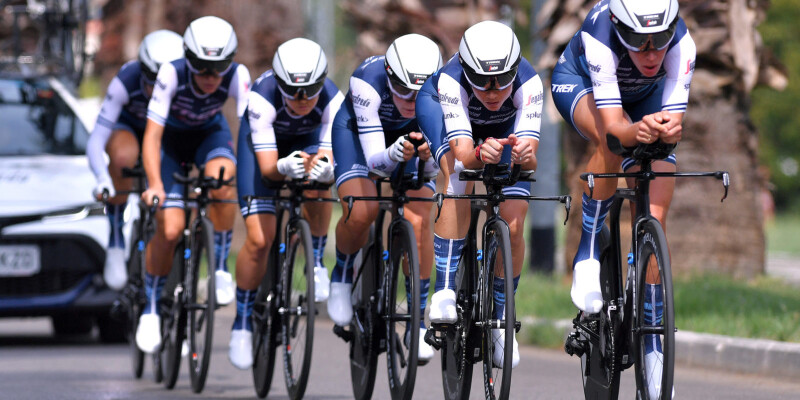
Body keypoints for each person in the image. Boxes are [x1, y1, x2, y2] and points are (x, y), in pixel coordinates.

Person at [550, 0, 695, 396]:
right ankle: (588, 252)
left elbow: (673, 124)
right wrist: (637, 131)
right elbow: (616, 128)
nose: (651, 53)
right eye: (637, 40)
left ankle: (652, 346)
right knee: (609, 144)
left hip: (645, 98)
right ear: (618, 28)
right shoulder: (600, 36)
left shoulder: (684, 45)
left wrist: (664, 129)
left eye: (659, 40)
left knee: (655, 218)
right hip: (582, 85)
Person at [416, 20, 543, 369]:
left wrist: (524, 154)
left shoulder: (530, 83)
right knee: (457, 175)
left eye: (502, 79)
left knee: (513, 225)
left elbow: (531, 155)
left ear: (515, 69)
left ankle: (502, 319)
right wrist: (478, 153)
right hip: (450, 122)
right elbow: (463, 155)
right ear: (465, 68)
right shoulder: (451, 80)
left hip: (503, 132)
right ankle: (444, 289)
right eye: (482, 80)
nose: (492, 91)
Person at [135, 16, 251, 354]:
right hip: (170, 144)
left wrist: (249, 182)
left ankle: (220, 268)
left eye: (219, 68)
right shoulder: (171, 73)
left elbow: (249, 133)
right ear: (187, 58)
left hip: (208, 135)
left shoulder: (238, 75)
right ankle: (151, 307)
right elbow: (152, 135)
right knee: (171, 229)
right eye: (201, 67)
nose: (211, 77)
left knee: (224, 180)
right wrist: (155, 184)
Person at [229, 37, 343, 369]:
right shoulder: (262, 96)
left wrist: (324, 170)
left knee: (318, 185)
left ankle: (316, 261)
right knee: (259, 240)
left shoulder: (333, 99)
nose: (303, 99)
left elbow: (327, 157)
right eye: (293, 92)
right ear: (280, 84)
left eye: (311, 90)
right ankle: (242, 322)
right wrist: (282, 166)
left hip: (307, 141)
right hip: (264, 150)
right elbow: (268, 170)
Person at [329, 33, 441, 363]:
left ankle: (418, 320)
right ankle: (342, 274)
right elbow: (376, 163)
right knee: (361, 212)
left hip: (406, 141)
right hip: (358, 136)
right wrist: (395, 153)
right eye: (402, 89)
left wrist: (428, 157)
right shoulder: (367, 80)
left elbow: (436, 169)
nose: (410, 99)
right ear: (389, 75)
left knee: (420, 220)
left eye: (418, 92)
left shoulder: (443, 90)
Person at [86, 29, 183, 290]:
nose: (158, 91)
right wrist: (103, 178)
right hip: (129, 128)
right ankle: (116, 238)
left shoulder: (188, 84)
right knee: (122, 157)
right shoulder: (126, 80)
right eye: (152, 83)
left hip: (164, 133)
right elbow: (96, 140)